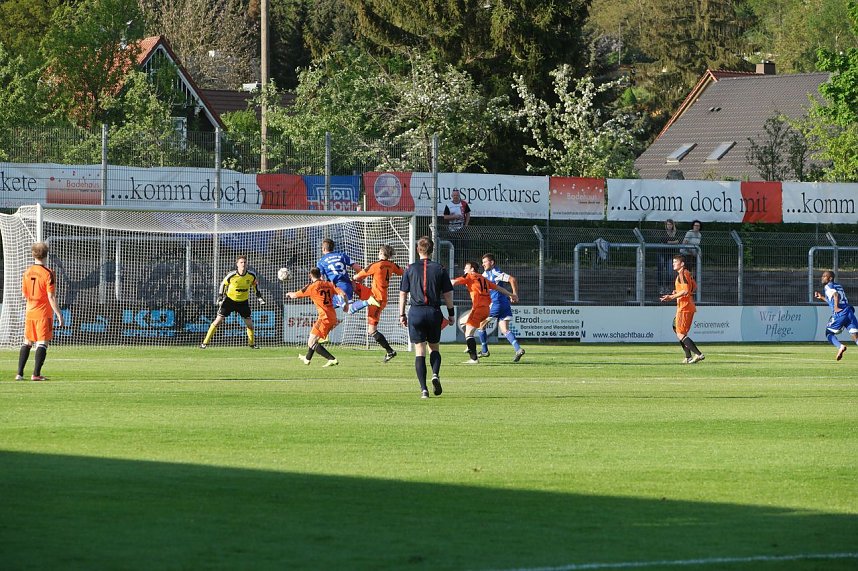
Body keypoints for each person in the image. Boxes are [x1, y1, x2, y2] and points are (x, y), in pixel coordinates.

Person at [398, 236, 455, 399]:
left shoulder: (409, 268)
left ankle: (424, 390)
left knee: (419, 351)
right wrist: (451, 314)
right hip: (433, 312)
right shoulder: (440, 268)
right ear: (432, 250)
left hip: (416, 312)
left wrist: (402, 314)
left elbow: (403, 293)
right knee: (434, 348)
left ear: (418, 250)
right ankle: (435, 374)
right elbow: (448, 294)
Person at [17, 242, 65, 381]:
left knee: (27, 342)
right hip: (43, 313)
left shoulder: (27, 272)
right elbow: (51, 296)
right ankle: (36, 374)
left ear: (33, 254)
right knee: (43, 342)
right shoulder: (48, 273)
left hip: (30, 312)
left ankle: (19, 373)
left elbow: (24, 294)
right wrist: (59, 314)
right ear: (46, 255)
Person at [349, 244, 404, 363]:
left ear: (380, 253)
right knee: (353, 286)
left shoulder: (375, 265)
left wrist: (355, 277)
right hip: (375, 295)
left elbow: (358, 276)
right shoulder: (392, 265)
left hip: (376, 300)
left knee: (371, 330)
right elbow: (402, 272)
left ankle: (390, 351)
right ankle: (349, 304)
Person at [452, 261, 515, 364]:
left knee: (469, 334)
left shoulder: (469, 275)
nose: (464, 270)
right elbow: (498, 288)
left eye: (466, 268)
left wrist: (440, 282)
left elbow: (454, 282)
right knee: (463, 321)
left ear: (472, 269)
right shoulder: (483, 278)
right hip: (486, 309)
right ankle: (470, 346)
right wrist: (511, 294)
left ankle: (474, 358)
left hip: (478, 308)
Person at [200, 254, 265, 349]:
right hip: (229, 301)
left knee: (250, 325)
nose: (243, 264)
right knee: (217, 321)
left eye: (245, 262)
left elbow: (255, 287)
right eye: (241, 262)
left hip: (243, 302)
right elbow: (223, 284)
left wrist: (259, 297)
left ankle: (252, 344)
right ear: (237, 264)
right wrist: (220, 296)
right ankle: (204, 343)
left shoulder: (251, 275)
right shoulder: (232, 275)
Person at [286, 268, 348, 367]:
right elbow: (343, 294)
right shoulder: (329, 284)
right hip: (332, 316)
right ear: (320, 275)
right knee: (314, 339)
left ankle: (332, 359)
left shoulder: (312, 287)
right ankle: (307, 359)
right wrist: (346, 305)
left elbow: (295, 296)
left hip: (324, 318)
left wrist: (289, 294)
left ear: (310, 276)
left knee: (311, 342)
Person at [478, 253, 525, 362]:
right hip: (504, 304)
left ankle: (484, 351)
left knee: (481, 325)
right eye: (483, 262)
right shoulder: (485, 274)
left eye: (485, 262)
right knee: (505, 330)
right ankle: (518, 349)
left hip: (496, 304)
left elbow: (512, 279)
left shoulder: (495, 272)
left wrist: (515, 294)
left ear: (492, 262)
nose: (483, 264)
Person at [660, 254, 704, 364]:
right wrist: (677, 292)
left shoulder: (682, 274)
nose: (673, 264)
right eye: (673, 262)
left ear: (682, 264)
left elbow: (685, 291)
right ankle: (688, 356)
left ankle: (698, 354)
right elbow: (693, 287)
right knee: (676, 328)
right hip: (686, 306)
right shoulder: (686, 273)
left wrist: (671, 296)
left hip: (684, 308)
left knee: (680, 333)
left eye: (675, 262)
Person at [814, 270, 858, 361]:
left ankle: (840, 346)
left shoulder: (828, 286)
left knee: (828, 333)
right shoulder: (838, 286)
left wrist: (836, 308)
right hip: (849, 311)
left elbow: (836, 295)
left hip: (840, 313)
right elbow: (834, 298)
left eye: (824, 276)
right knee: (855, 335)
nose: (822, 278)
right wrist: (822, 297)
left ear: (830, 278)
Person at [316, 238, 364, 308]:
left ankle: (368, 301)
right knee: (329, 308)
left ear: (323, 249)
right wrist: (358, 281)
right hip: (346, 286)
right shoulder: (342, 255)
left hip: (336, 288)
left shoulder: (321, 261)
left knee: (348, 308)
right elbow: (357, 268)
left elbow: (321, 278)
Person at [439, 189, 471, 266]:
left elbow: (468, 214)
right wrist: (454, 216)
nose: (456, 197)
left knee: (465, 245)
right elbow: (445, 217)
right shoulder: (448, 205)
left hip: (462, 227)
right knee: (454, 245)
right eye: (454, 195)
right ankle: (455, 262)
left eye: (457, 195)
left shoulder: (463, 204)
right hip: (452, 228)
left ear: (459, 196)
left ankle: (466, 263)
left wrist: (466, 225)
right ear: (452, 196)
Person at [659, 219, 681, 294]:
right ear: (666, 225)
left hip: (670, 254)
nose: (669, 226)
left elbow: (678, 241)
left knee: (670, 272)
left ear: (673, 225)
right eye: (668, 224)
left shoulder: (675, 232)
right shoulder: (662, 232)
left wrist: (670, 242)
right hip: (662, 253)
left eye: (670, 224)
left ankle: (667, 287)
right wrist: (673, 242)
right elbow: (664, 240)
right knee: (661, 271)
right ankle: (661, 287)